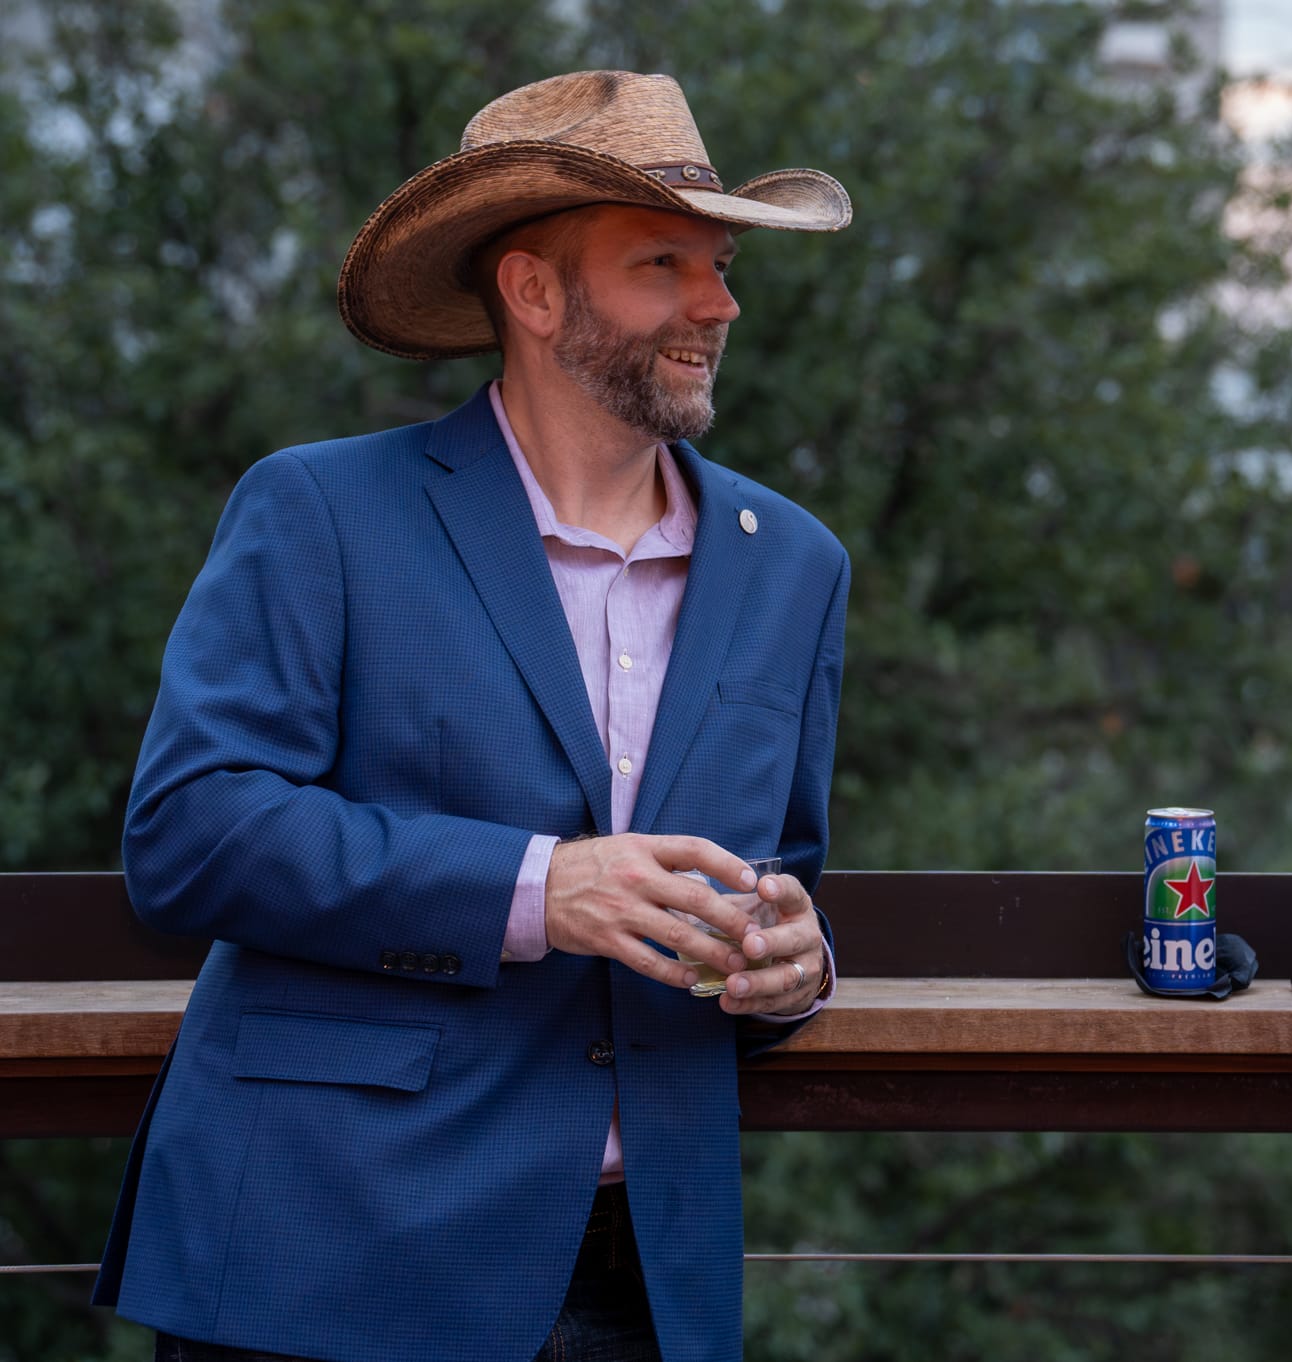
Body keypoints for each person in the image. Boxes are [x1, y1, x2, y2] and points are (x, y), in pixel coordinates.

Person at [93, 70, 853, 1362]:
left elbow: (778, 870)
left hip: (642, 1273)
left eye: (721, 265)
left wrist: (795, 965)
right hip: (330, 1244)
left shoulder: (793, 559)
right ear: (534, 290)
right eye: (662, 262)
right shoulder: (321, 509)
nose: (717, 305)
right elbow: (192, 829)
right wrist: (536, 886)